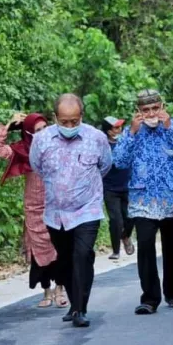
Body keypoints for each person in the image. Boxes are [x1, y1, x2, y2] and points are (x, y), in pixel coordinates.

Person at [29, 94, 112, 327]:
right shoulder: (41, 140)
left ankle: (79, 309)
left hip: (87, 209)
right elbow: (37, 167)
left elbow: (105, 166)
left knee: (82, 255)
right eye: (64, 122)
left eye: (74, 121)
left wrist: (84, 187)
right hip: (56, 213)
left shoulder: (96, 138)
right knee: (64, 260)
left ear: (81, 117)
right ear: (55, 117)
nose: (69, 126)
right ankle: (75, 303)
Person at [113, 90, 173, 315]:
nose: (151, 113)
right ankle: (149, 297)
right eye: (145, 110)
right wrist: (132, 133)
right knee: (145, 247)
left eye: (155, 108)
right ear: (138, 112)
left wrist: (168, 128)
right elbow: (119, 161)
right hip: (143, 199)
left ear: (162, 106)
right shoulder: (132, 132)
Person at [0, 113, 67, 309]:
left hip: (57, 205)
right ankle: (47, 291)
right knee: (38, 251)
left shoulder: (57, 146)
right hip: (34, 208)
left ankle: (60, 289)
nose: (42, 134)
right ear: (28, 132)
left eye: (44, 129)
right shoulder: (23, 150)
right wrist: (7, 124)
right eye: (37, 130)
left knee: (59, 249)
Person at [101, 116, 135, 261]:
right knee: (115, 220)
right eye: (116, 127)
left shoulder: (126, 142)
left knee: (130, 217)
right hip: (110, 188)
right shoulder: (103, 146)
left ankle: (126, 236)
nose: (119, 129)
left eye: (120, 126)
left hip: (127, 186)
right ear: (109, 131)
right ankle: (116, 250)